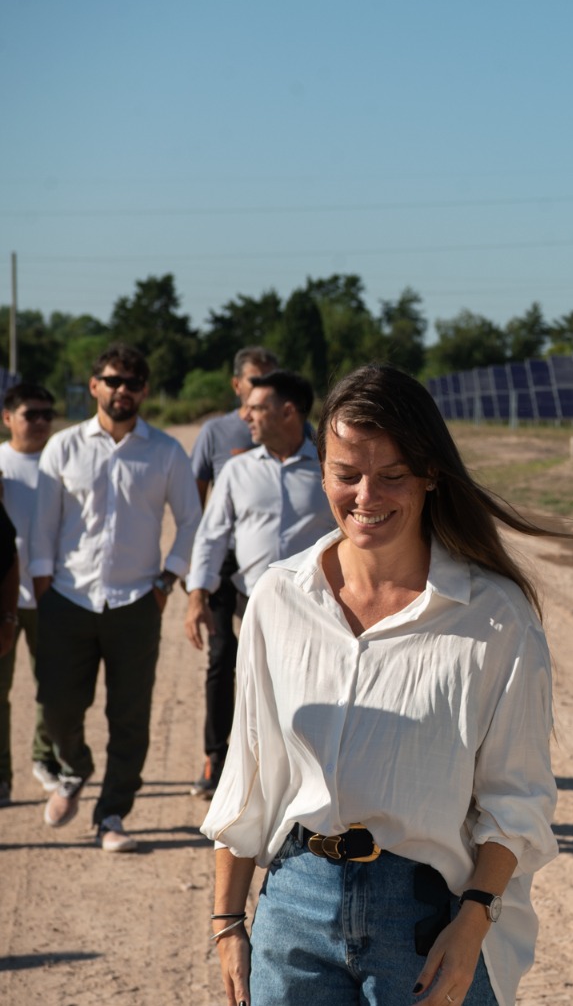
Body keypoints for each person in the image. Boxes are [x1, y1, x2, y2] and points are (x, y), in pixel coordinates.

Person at [201, 363, 559, 1006]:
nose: (366, 496)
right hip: (293, 909)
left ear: (430, 475)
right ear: (321, 471)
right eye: (347, 474)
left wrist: (472, 923)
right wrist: (228, 922)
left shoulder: (497, 617)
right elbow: (248, 774)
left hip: (430, 919)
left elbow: (517, 800)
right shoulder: (278, 599)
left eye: (393, 475)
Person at [29, 343, 203, 852]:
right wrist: (43, 586)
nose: (121, 389)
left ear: (144, 391)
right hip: (68, 597)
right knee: (57, 707)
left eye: (132, 382)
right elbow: (42, 525)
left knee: (129, 716)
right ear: (94, 386)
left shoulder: (165, 451)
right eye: (112, 380)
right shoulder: (63, 447)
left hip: (136, 601)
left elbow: (191, 521)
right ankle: (75, 767)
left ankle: (112, 815)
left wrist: (166, 582)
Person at [184, 369, 337, 786]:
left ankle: (306, 776)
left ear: (288, 412)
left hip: (316, 605)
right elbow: (212, 536)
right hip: (248, 599)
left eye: (256, 408)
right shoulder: (237, 471)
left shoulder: (328, 468)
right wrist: (197, 595)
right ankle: (225, 763)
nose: (246, 415)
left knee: (308, 688)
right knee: (235, 675)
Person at [188, 344, 281, 798]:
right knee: (223, 656)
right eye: (254, 379)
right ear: (236, 384)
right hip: (226, 561)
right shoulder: (216, 431)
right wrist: (198, 576)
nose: (262, 387)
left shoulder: (291, 427)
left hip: (267, 562)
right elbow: (197, 501)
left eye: (270, 379)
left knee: (275, 660)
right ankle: (216, 756)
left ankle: (273, 759)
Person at [2, 382, 58, 805]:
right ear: (8, 418)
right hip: (3, 595)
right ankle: (1, 774)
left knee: (54, 686)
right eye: (30, 414)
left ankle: (45, 758)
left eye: (46, 414)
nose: (40, 422)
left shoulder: (60, 463)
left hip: (49, 592)